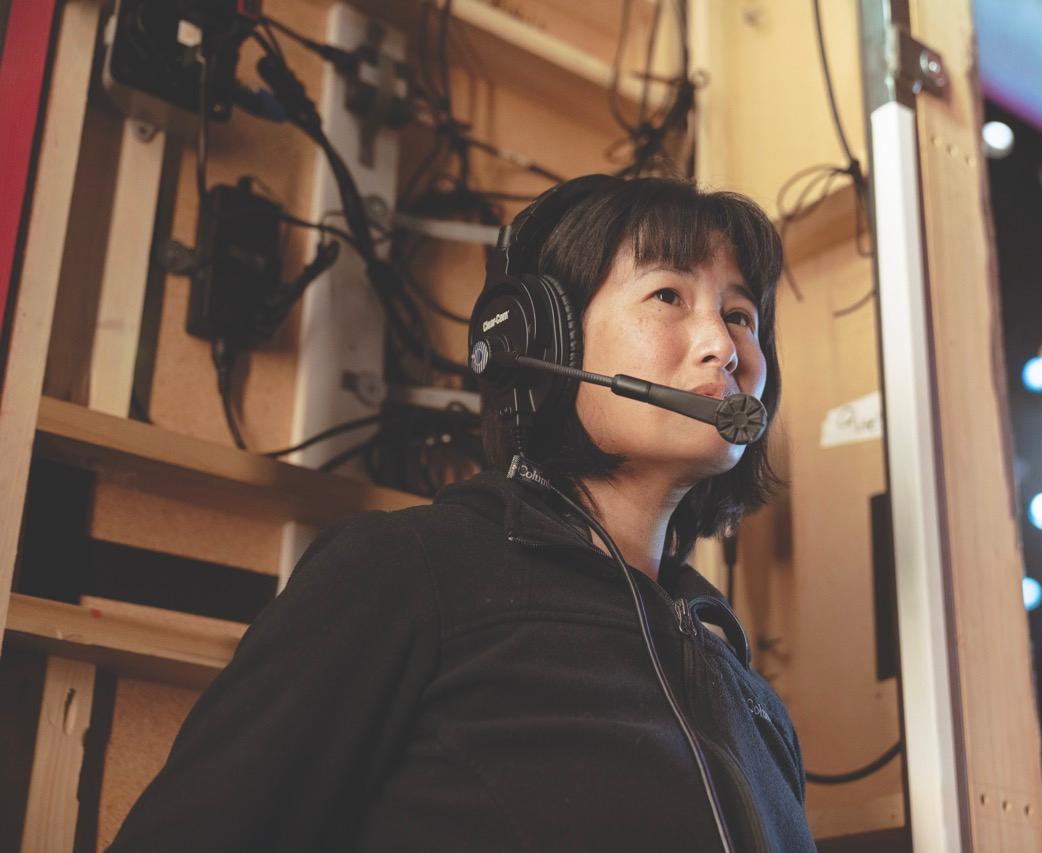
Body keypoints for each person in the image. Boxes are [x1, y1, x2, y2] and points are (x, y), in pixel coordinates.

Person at [107, 175, 816, 852]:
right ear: (540, 343)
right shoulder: (402, 576)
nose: (723, 346)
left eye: (739, 314)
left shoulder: (746, 693)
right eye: (668, 294)